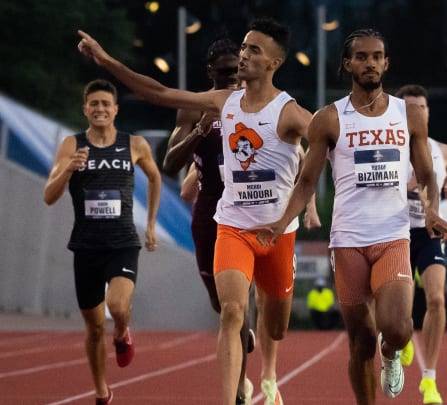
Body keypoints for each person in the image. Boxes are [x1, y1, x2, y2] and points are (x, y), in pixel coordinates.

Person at [78, 17, 314, 405]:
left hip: (277, 231)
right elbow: (159, 92)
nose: (243, 54)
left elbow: (330, 145)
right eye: (244, 46)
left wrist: (305, 200)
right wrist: (106, 61)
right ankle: (231, 398)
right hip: (232, 224)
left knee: (277, 328)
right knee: (232, 312)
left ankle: (264, 357)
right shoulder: (222, 102)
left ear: (274, 62)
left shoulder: (290, 112)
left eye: (254, 50)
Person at [253, 28, 447, 404]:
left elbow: (428, 175)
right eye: (362, 57)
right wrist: (281, 223)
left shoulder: (409, 115)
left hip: (393, 234)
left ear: (386, 63)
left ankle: (392, 353)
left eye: (377, 56)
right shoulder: (329, 119)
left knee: (396, 328)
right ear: (348, 64)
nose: (370, 63)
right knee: (360, 340)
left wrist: (431, 210)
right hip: (348, 239)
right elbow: (306, 182)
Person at [43, 79, 161, 405]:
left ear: (115, 110)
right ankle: (101, 392)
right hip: (85, 246)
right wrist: (69, 168)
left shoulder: (134, 145)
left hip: (123, 240)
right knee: (94, 329)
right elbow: (49, 196)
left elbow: (154, 177)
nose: (100, 109)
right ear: (85, 109)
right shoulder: (72, 145)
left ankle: (122, 331)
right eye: (93, 104)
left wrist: (150, 225)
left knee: (118, 306)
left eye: (105, 104)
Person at [162, 37, 257, 404]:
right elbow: (170, 164)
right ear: (210, 73)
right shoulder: (194, 109)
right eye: (223, 73)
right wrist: (201, 130)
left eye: (237, 72)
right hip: (208, 214)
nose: (232, 79)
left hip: (245, 213)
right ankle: (239, 333)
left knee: (236, 307)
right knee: (222, 305)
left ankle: (237, 393)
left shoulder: (255, 105)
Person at [394, 84, 447, 404]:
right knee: (400, 310)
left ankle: (430, 380)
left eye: (420, 107)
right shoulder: (390, 145)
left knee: (436, 299)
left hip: (429, 231)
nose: (415, 113)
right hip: (395, 231)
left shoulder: (442, 149)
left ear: (428, 112)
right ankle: (402, 334)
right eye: (409, 107)